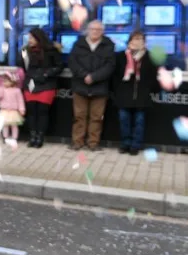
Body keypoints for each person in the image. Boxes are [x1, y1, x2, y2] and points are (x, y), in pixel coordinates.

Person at [68, 20, 115, 151]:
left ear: (103, 32)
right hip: (80, 85)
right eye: (93, 29)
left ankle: (93, 143)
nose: (95, 32)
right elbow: (72, 63)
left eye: (98, 30)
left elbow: (110, 66)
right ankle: (77, 142)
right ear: (88, 30)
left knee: (96, 117)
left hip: (100, 87)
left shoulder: (109, 46)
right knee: (79, 116)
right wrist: (84, 75)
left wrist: (94, 77)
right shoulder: (78, 44)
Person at [17, 28, 63, 148]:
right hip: (30, 84)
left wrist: (46, 74)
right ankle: (32, 136)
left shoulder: (51, 50)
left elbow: (59, 66)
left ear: (39, 38)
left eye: (32, 37)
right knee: (31, 112)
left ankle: (40, 137)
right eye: (29, 37)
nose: (29, 40)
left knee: (42, 112)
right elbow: (21, 67)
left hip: (46, 84)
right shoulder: (25, 51)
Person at [113, 30, 157, 155]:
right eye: (135, 39)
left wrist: (148, 88)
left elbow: (153, 76)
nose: (138, 41)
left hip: (141, 95)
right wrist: (117, 90)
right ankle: (125, 143)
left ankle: (135, 145)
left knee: (139, 122)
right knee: (124, 120)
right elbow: (115, 76)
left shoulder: (149, 56)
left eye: (140, 39)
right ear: (130, 41)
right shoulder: (121, 56)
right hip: (123, 95)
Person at [0, 70, 26, 141]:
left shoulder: (17, 90)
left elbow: (20, 101)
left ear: (12, 81)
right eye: (3, 81)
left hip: (13, 111)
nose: (4, 83)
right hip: (4, 110)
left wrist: (22, 109)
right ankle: (5, 137)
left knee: (14, 125)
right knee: (5, 125)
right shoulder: (2, 89)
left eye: (6, 81)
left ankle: (14, 137)